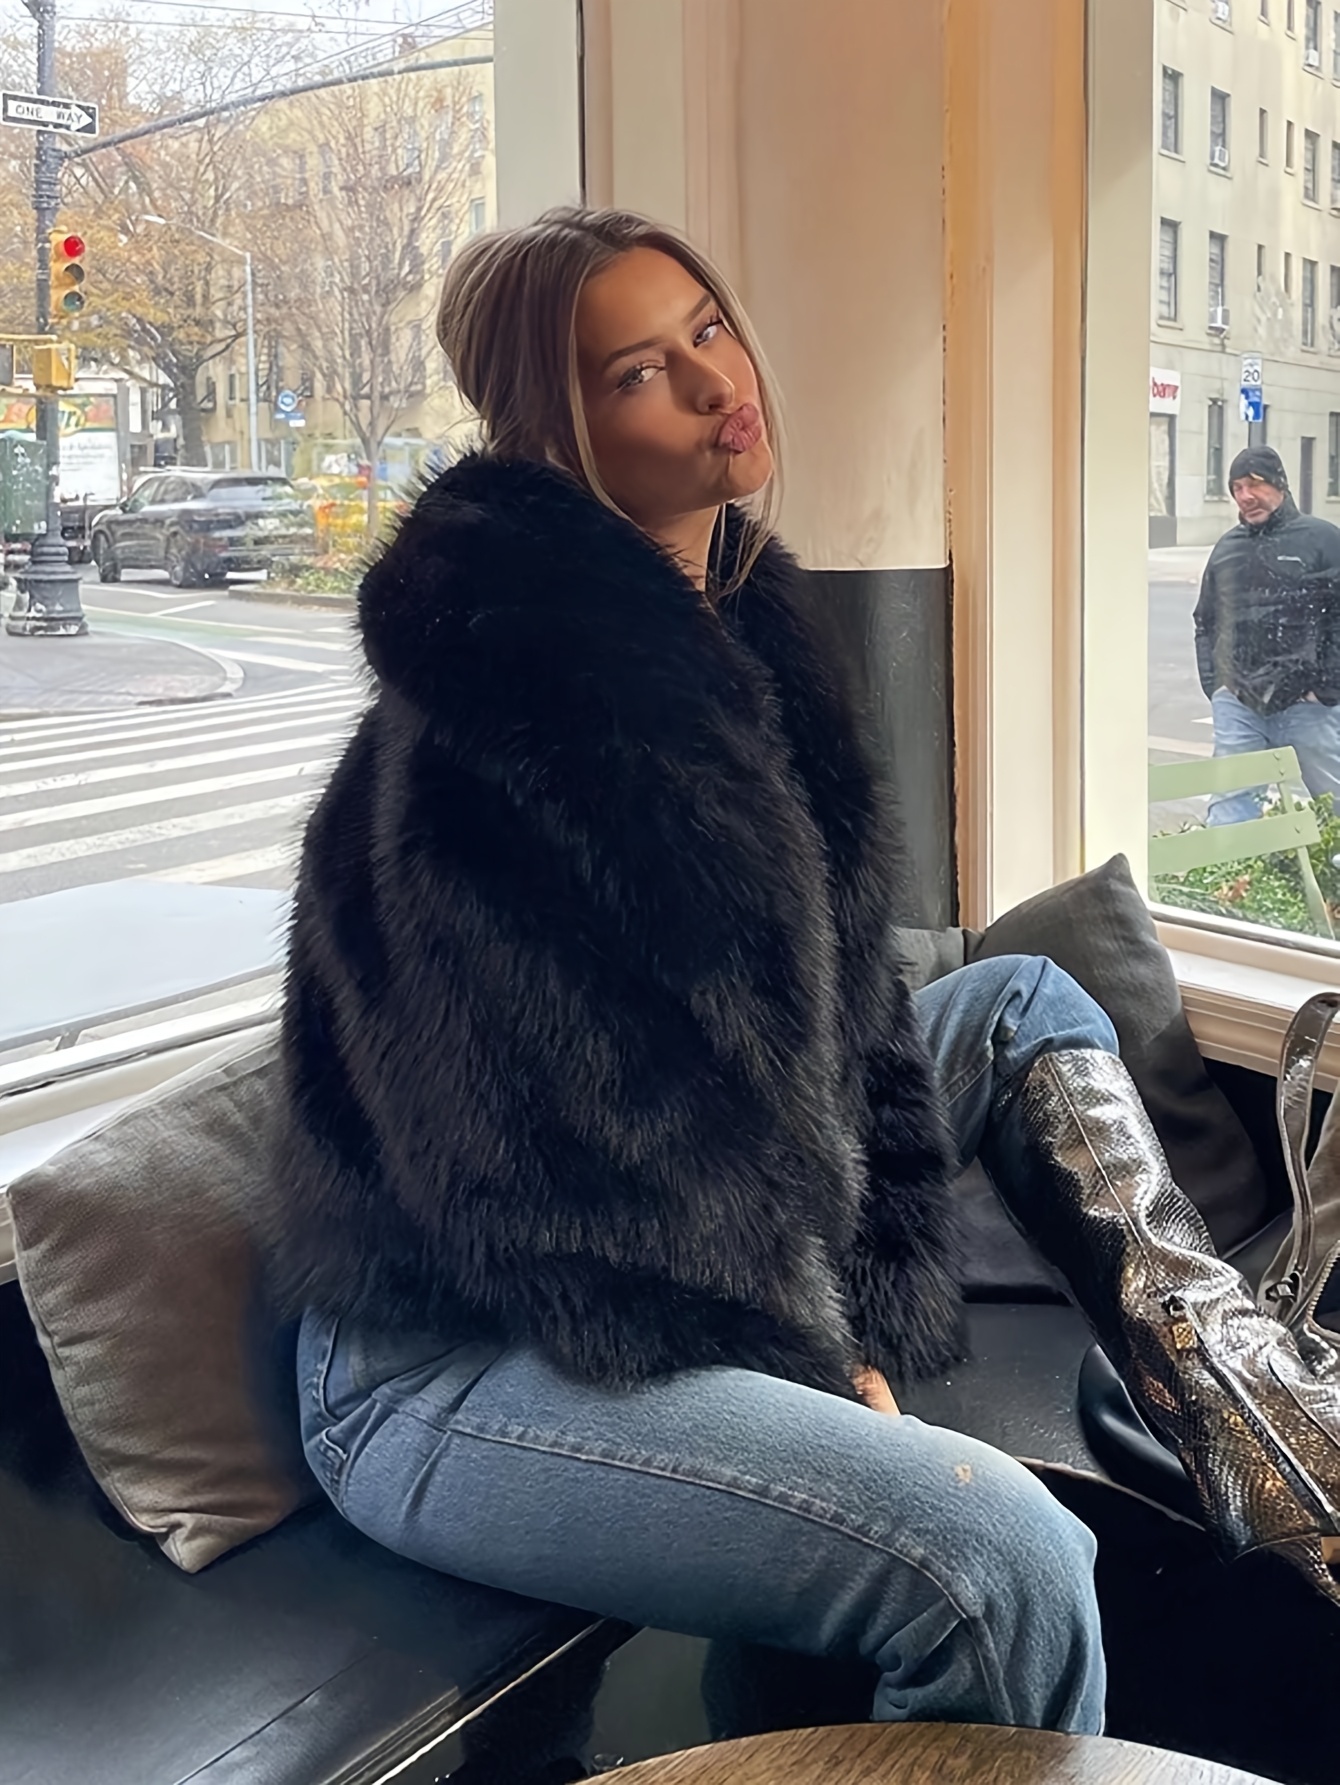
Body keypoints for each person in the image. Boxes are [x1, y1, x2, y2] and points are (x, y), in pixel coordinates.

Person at [267, 208, 1340, 1742]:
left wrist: (861, 1293)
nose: (718, 383)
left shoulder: (739, 632)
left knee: (1026, 999)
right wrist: (816, 1352)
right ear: (554, 435)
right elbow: (538, 1181)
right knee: (1001, 1562)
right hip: (463, 1352)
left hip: (701, 1227)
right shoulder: (491, 743)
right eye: (640, 371)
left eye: (707, 326)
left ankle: (1271, 1441)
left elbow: (837, 1019)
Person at [1194, 445, 1340, 825]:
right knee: (1230, 809)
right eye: (1236, 488)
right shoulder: (1227, 549)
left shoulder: (1324, 541)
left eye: (1254, 484)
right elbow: (1206, 621)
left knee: (1335, 803)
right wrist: (1218, 687)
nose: (1245, 496)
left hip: (1309, 705)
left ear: (1279, 484)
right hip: (1239, 702)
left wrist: (1328, 688)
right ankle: (1232, 864)